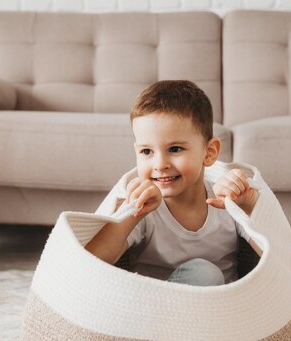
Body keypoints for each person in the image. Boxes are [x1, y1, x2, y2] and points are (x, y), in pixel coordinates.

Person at [85, 80, 261, 286]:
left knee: (206, 275)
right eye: (146, 151)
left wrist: (247, 205)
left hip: (217, 311)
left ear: (209, 152)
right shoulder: (146, 207)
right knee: (206, 274)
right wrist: (131, 212)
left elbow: (276, 259)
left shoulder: (225, 201)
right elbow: (90, 261)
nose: (160, 164)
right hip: (155, 309)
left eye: (175, 149)